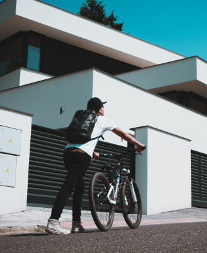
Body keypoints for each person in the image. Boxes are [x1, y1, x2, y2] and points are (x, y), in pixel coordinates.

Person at [45, 97, 146, 234]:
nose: (104, 109)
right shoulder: (104, 120)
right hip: (81, 157)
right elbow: (123, 133)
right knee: (68, 185)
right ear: (99, 108)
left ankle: (76, 224)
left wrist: (93, 152)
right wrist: (138, 144)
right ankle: (53, 221)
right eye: (102, 107)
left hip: (68, 153)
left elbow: (81, 139)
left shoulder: (82, 118)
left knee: (79, 186)